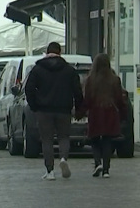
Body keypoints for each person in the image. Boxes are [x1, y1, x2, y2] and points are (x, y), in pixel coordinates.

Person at [25, 42, 84, 181]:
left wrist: (34, 105)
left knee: (47, 140)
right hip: (64, 109)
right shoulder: (69, 70)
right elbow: (78, 91)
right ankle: (63, 158)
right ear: (60, 52)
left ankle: (50, 171)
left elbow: (29, 88)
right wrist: (79, 106)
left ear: (47, 52)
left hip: (44, 110)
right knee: (64, 137)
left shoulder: (38, 69)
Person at [78, 53, 129, 178]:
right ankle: (106, 169)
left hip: (95, 112)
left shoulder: (90, 80)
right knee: (107, 141)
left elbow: (87, 99)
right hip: (110, 112)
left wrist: (80, 112)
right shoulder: (114, 79)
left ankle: (97, 163)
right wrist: (123, 115)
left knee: (94, 140)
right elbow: (119, 99)